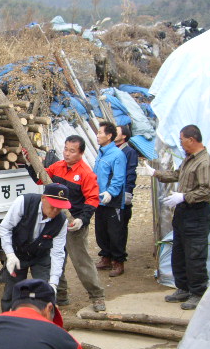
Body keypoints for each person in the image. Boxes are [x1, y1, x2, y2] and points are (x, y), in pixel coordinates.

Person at [139, 124, 210, 310]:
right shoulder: (189, 159)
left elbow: (206, 191)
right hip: (184, 213)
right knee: (179, 252)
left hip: (197, 214)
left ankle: (198, 292)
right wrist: (155, 173)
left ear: (192, 139)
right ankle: (183, 288)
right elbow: (177, 174)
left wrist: (184, 197)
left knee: (195, 255)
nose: (180, 143)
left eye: (182, 139)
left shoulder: (205, 162)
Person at [26, 136, 107, 311]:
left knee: (81, 261)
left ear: (81, 153)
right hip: (56, 220)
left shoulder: (86, 173)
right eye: (66, 149)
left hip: (74, 223)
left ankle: (97, 296)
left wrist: (82, 220)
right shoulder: (58, 167)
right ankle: (61, 294)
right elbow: (41, 178)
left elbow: (92, 200)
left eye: (72, 151)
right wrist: (30, 163)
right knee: (55, 259)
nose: (67, 153)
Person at [0, 183, 70, 312]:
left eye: (59, 208)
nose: (55, 211)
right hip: (18, 253)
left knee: (44, 293)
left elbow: (58, 253)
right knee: (12, 292)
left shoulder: (62, 221)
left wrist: (53, 282)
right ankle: (8, 321)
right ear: (43, 198)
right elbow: (5, 228)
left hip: (41, 256)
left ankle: (41, 323)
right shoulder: (24, 202)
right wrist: (10, 255)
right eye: (53, 206)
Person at [93, 121, 127, 277]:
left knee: (115, 232)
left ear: (109, 135)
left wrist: (110, 193)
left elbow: (119, 178)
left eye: (100, 132)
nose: (98, 135)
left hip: (112, 199)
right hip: (99, 199)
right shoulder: (101, 153)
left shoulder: (117, 154)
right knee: (101, 230)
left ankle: (118, 261)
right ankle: (106, 257)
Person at [115, 125, 138, 263]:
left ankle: (119, 258)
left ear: (124, 136)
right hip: (109, 194)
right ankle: (107, 255)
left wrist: (128, 193)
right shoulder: (109, 150)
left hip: (122, 194)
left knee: (120, 227)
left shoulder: (129, 152)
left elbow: (130, 173)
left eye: (116, 132)